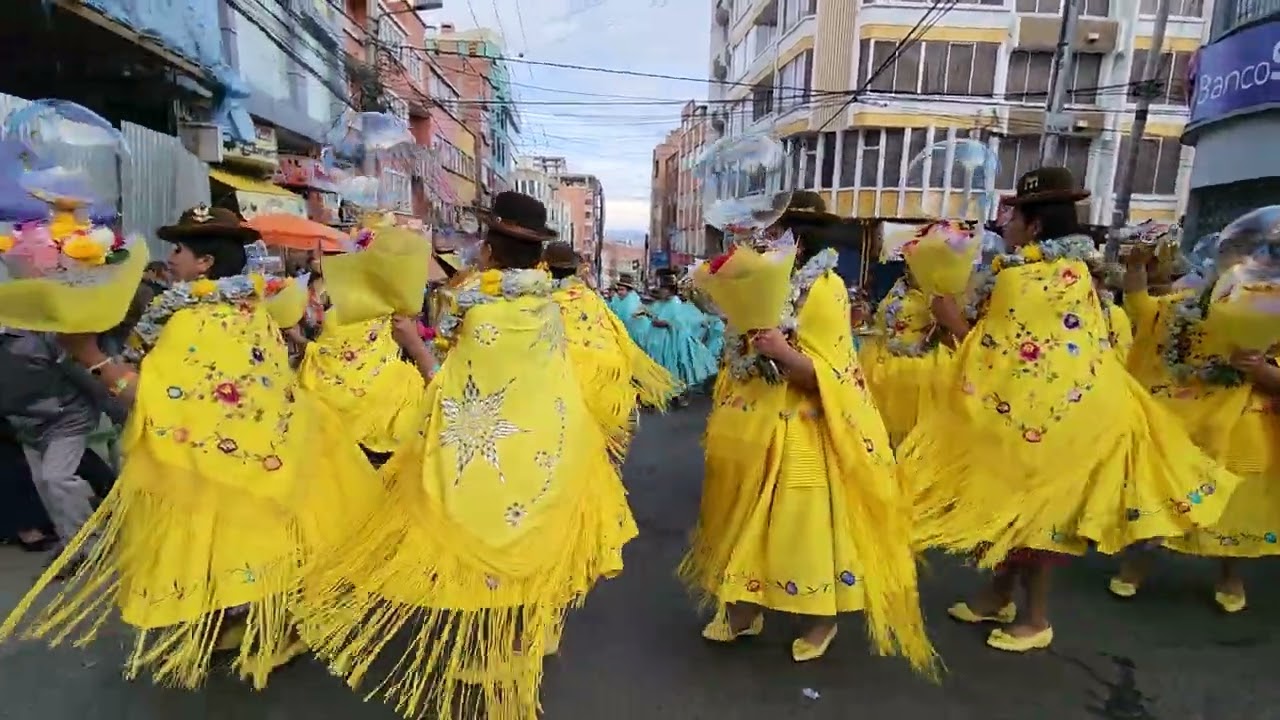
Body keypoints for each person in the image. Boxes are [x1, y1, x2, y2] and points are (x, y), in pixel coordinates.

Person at [0, 205, 383, 690]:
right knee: (251, 540)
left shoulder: (192, 322)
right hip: (266, 449)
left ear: (204, 265)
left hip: (216, 457)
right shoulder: (248, 310)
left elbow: (158, 397)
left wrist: (90, 357)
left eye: (179, 249)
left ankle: (268, 630)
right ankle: (249, 622)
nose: (172, 258)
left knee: (230, 539)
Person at [299, 192, 635, 720]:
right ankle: (521, 650)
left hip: (487, 442)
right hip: (549, 439)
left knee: (484, 539)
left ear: (489, 247)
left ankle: (508, 659)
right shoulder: (547, 303)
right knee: (531, 539)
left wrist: (414, 342)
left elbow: (454, 381)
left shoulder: (471, 303)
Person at [900, 168, 1239, 653]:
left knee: (1037, 519)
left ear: (1035, 226)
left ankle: (1036, 619)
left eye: (1014, 214)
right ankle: (997, 595)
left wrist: (953, 322)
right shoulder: (1072, 272)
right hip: (1056, 412)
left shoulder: (1026, 278)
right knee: (1009, 513)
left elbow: (1005, 353)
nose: (1006, 222)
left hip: (1043, 420)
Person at [679, 192, 935, 672]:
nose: (765, 238)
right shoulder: (762, 282)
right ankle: (743, 608)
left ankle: (820, 618)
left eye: (776, 230)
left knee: (805, 528)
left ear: (801, 236)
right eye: (765, 230)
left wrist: (779, 350)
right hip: (753, 426)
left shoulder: (826, 289)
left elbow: (831, 372)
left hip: (807, 429)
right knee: (742, 518)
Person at [1109, 209, 1280, 612]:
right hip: (1184, 419)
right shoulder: (1188, 304)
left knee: (1235, 504)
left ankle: (1231, 576)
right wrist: (1136, 267)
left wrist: (1262, 371)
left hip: (1242, 426)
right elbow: (1142, 310)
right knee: (1165, 490)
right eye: (1243, 253)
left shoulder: (1272, 310)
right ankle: (1137, 565)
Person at [0, 326, 123, 574]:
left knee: (56, 478)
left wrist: (120, 411)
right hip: (25, 422)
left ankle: (91, 544)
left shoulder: (39, 335)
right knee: (45, 485)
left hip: (67, 416)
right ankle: (73, 545)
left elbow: (84, 375)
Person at [543, 241, 676, 458]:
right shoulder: (590, 298)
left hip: (565, 387)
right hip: (603, 382)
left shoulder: (545, 301)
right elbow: (615, 335)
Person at [858, 267, 952, 448]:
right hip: (879, 359)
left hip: (920, 363)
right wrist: (867, 316)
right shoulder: (900, 284)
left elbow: (947, 331)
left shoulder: (942, 291)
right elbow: (884, 323)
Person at [637, 271, 717, 408]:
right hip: (656, 342)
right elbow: (653, 313)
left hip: (670, 343)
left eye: (662, 289)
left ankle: (676, 394)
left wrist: (657, 320)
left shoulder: (675, 303)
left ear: (669, 290)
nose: (660, 292)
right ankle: (657, 395)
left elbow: (673, 323)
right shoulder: (660, 303)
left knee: (671, 369)